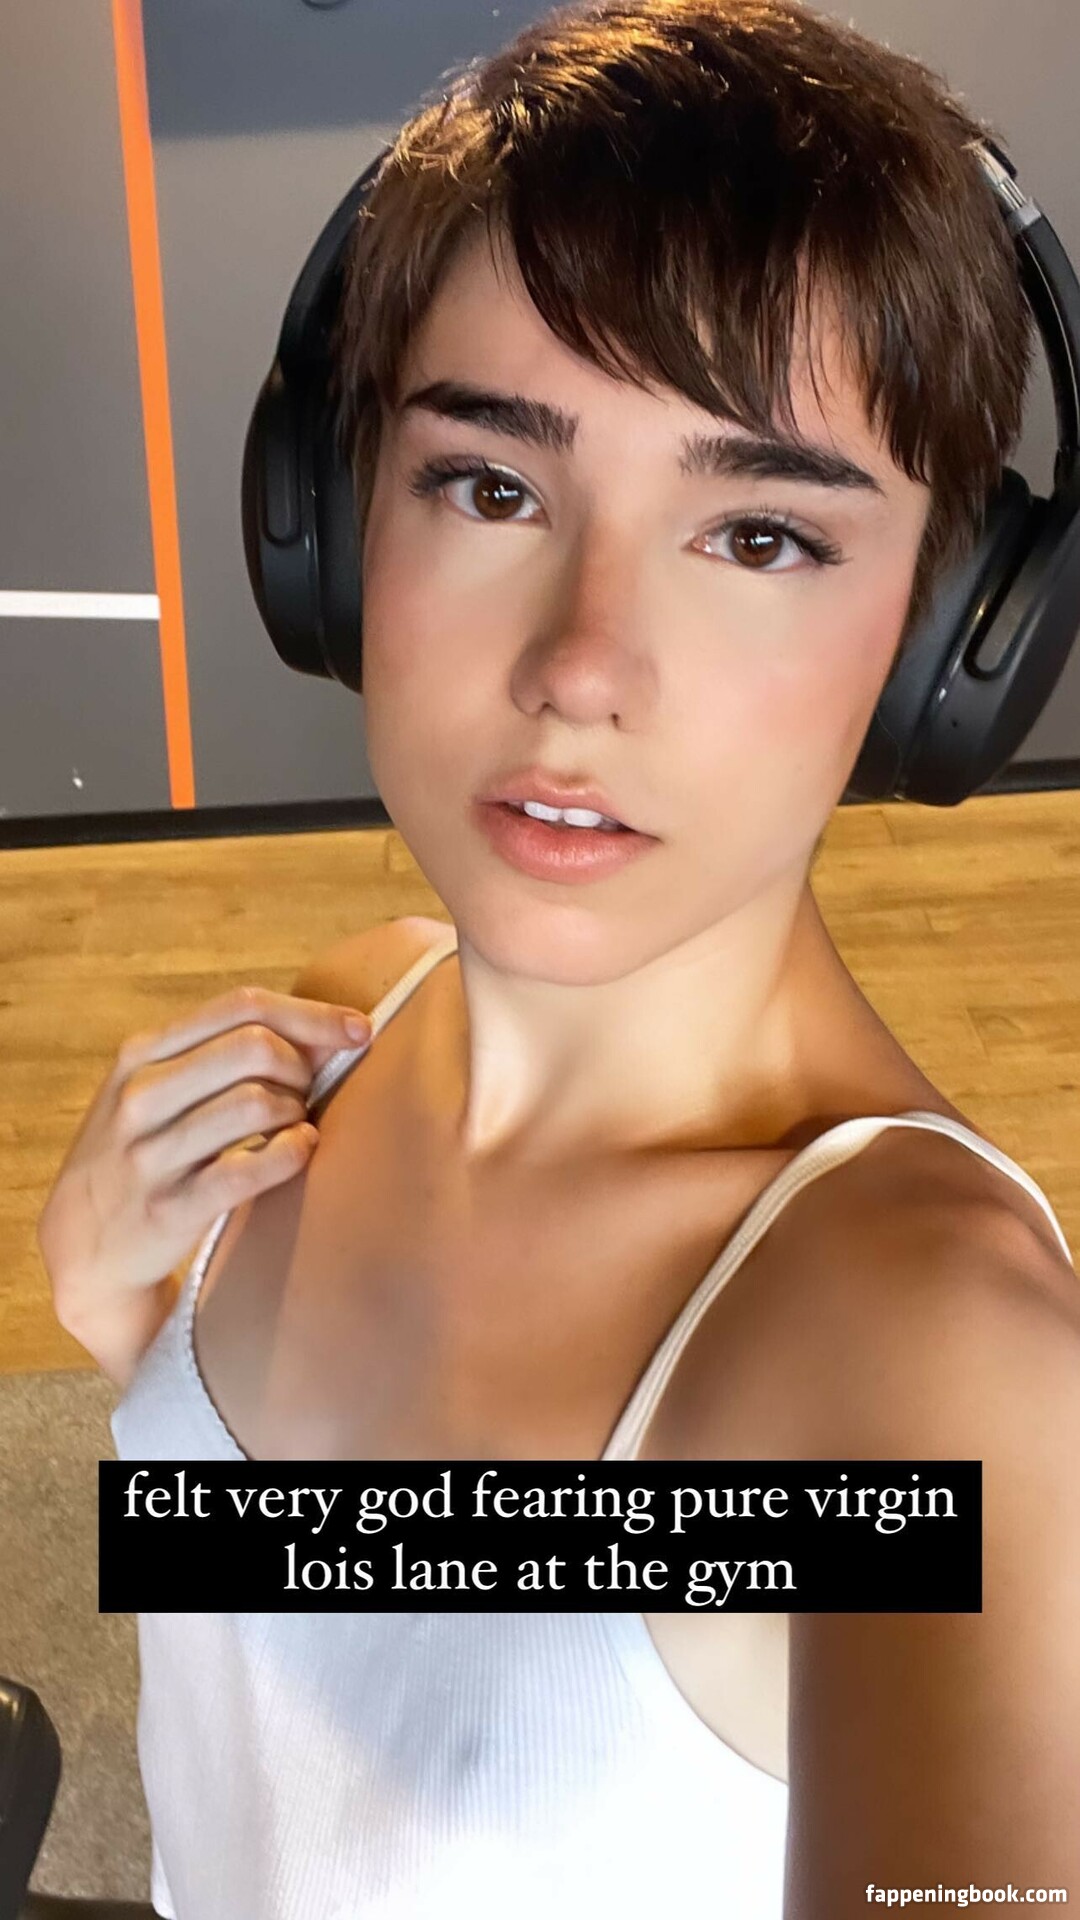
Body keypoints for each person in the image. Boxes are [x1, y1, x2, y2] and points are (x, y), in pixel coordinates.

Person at [43, 1, 1080, 1914]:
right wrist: (134, 1340)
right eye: (493, 487)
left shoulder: (930, 1355)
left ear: (952, 641)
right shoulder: (350, 1026)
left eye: (759, 537)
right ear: (331, 523)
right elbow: (380, 1674)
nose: (584, 668)